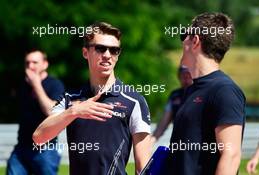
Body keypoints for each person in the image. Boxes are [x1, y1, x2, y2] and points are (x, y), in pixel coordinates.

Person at [33, 22, 151, 175]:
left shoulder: (134, 101)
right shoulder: (70, 99)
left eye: (114, 50)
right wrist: (74, 112)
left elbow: (143, 168)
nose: (107, 55)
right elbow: (39, 137)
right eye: (100, 48)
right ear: (85, 53)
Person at [167, 12, 246, 175]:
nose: (182, 42)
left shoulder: (225, 91)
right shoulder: (192, 89)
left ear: (195, 41)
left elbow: (231, 156)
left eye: (184, 35)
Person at [6, 50, 65, 175]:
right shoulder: (22, 85)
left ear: (45, 64)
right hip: (22, 146)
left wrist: (36, 85)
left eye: (35, 62)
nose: (30, 66)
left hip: (46, 148)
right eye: (27, 63)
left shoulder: (54, 85)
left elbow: (51, 112)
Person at [151, 66, 192, 143]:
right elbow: (164, 122)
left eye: (188, 75)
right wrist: (151, 141)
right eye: (182, 76)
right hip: (178, 142)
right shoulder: (174, 95)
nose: (186, 78)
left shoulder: (201, 93)